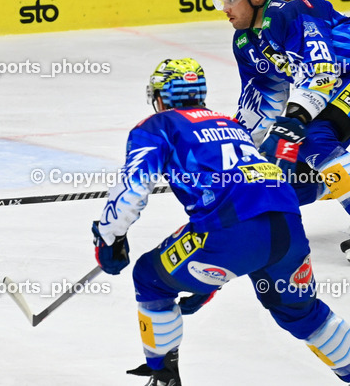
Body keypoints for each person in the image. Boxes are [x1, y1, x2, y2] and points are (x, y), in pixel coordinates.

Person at [93, 58, 350, 384]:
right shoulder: (232, 126)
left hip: (228, 231)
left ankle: (163, 379)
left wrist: (109, 237)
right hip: (287, 227)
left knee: (149, 277)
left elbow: (132, 192)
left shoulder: (159, 126)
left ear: (160, 97)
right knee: (303, 314)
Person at [211, 0, 350, 251]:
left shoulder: (289, 8)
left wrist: (295, 118)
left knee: (314, 138)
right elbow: (262, 102)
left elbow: (322, 71)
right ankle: (338, 180)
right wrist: (237, 151)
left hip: (343, 77)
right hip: (331, 91)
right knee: (281, 177)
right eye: (219, 0)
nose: (225, 9)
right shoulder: (246, 43)